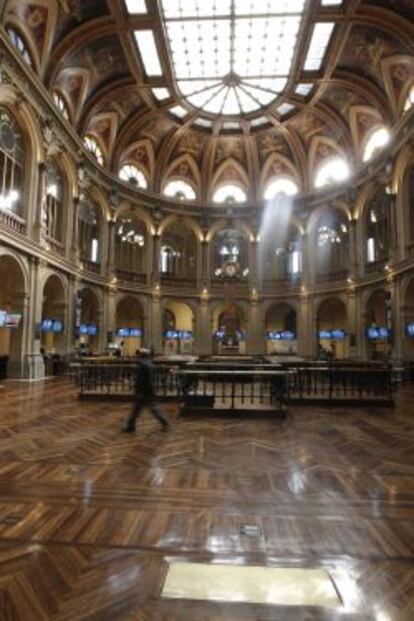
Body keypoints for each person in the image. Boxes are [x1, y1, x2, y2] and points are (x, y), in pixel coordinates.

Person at [123, 348, 170, 432]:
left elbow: (142, 379)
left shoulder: (143, 365)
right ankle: (131, 425)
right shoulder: (149, 364)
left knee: (143, 409)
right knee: (140, 409)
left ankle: (164, 422)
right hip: (147, 390)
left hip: (144, 391)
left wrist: (140, 390)